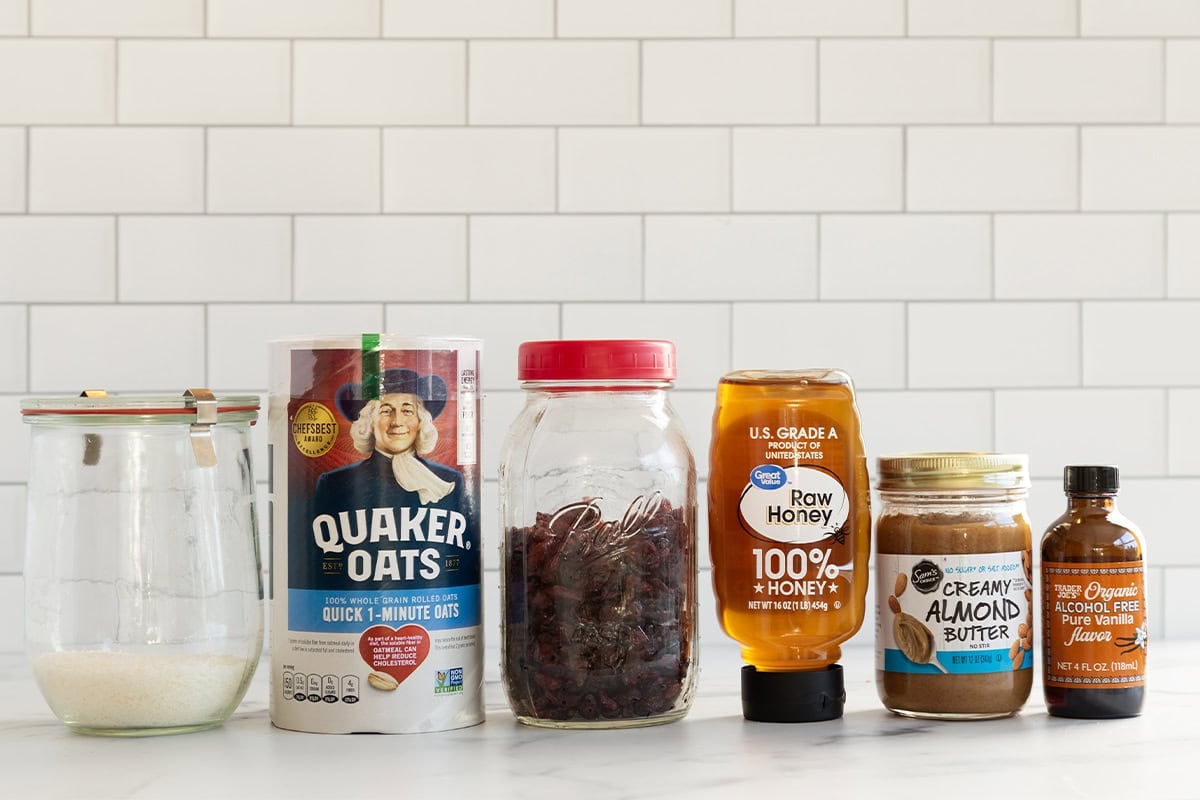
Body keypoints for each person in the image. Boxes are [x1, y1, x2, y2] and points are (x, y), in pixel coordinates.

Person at [304, 368, 471, 587]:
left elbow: (460, 569)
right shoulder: (335, 484)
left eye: (407, 410)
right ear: (369, 423)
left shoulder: (448, 481)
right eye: (386, 410)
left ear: (421, 421)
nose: (397, 422)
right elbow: (320, 568)